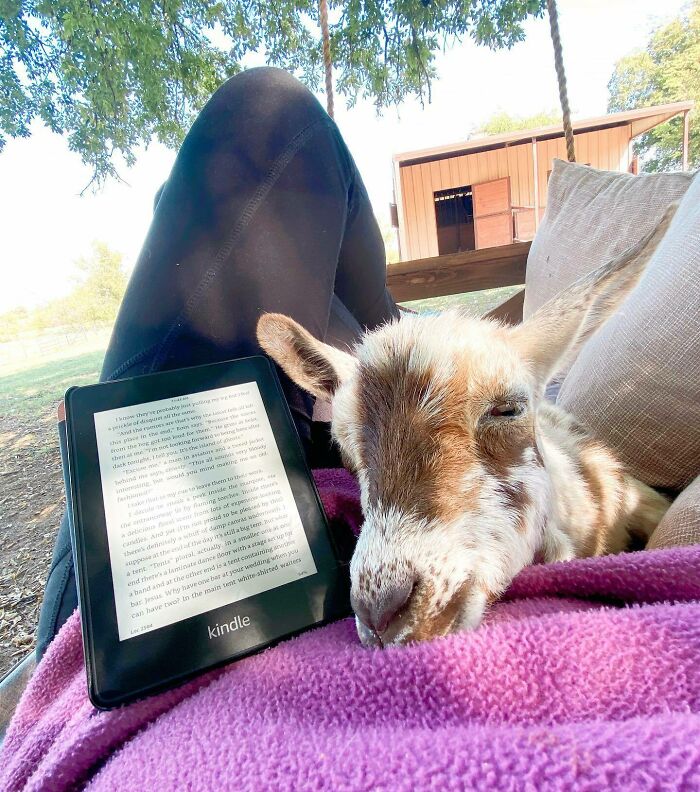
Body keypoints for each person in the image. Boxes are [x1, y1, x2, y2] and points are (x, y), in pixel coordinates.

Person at [36, 67, 399, 659]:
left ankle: (400, 340)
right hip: (153, 578)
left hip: (135, 575)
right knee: (271, 111)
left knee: (266, 110)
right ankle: (402, 340)